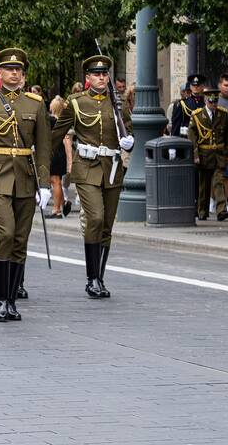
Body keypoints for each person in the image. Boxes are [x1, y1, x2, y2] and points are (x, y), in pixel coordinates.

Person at [0, 47, 50, 322]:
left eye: (19, 70)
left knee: (20, 241)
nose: (14, 73)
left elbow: (44, 146)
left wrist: (46, 183)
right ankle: (0, 300)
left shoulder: (36, 104)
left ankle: (12, 300)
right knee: (7, 234)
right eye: (9, 69)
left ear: (23, 75)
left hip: (26, 177)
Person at [51, 56, 134, 298]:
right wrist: (42, 165)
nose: (101, 78)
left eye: (104, 74)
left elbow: (127, 132)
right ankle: (91, 278)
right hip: (86, 167)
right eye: (96, 74)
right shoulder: (76, 102)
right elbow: (57, 135)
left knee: (107, 224)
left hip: (112, 168)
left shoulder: (117, 104)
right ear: (87, 78)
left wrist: (130, 142)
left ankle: (100, 277)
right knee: (95, 218)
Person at [189, 87, 228, 221]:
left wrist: (227, 154)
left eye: (215, 102)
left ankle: (221, 210)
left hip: (219, 155)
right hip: (204, 155)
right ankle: (202, 211)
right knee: (204, 185)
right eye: (211, 102)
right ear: (205, 101)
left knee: (218, 181)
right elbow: (192, 136)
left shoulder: (223, 114)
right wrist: (195, 154)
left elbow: (227, 135)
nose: (213, 105)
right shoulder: (197, 115)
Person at [44, 96, 72, 219]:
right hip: (61, 153)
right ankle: (60, 205)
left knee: (55, 181)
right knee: (57, 181)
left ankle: (56, 209)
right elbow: (67, 141)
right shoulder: (62, 121)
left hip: (53, 152)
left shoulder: (50, 121)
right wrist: (69, 159)